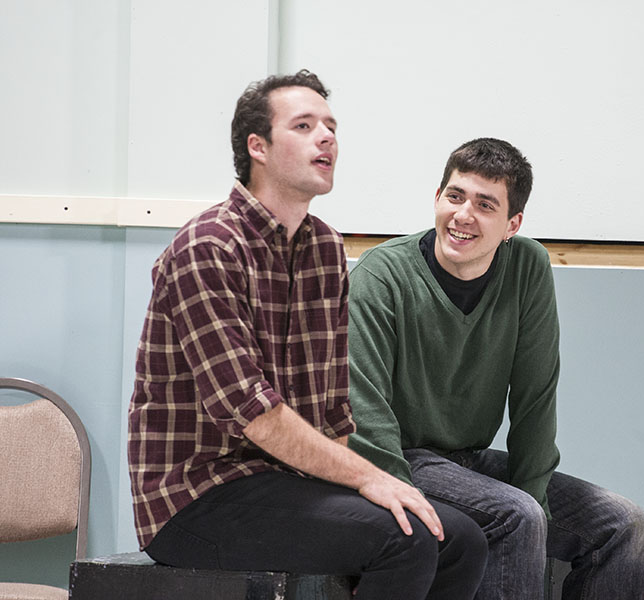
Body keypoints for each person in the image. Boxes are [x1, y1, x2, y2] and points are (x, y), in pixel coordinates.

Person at [127, 71, 486, 600]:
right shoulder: (207, 248)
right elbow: (253, 413)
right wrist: (368, 479)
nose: (327, 137)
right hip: (197, 496)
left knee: (459, 539)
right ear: (259, 147)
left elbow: (331, 410)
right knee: (404, 538)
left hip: (285, 485)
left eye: (331, 126)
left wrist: (362, 484)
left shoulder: (324, 249)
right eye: (304, 125)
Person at [348, 137, 644, 599]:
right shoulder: (381, 275)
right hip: (403, 461)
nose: (464, 215)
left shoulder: (528, 266)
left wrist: (538, 503)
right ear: (437, 198)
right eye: (455, 196)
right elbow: (364, 411)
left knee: (624, 524)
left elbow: (535, 397)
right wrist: (402, 502)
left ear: (513, 224)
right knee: (516, 514)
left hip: (470, 462)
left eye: (485, 204)